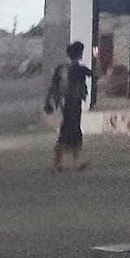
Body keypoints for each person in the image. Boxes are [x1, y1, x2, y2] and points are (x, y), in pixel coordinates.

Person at [45, 41, 94, 173]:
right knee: (71, 132)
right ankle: (64, 163)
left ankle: (64, 163)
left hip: (64, 104)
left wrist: (48, 102)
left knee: (68, 132)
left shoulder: (61, 69)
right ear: (79, 54)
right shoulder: (79, 69)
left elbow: (53, 86)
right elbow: (95, 74)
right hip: (74, 104)